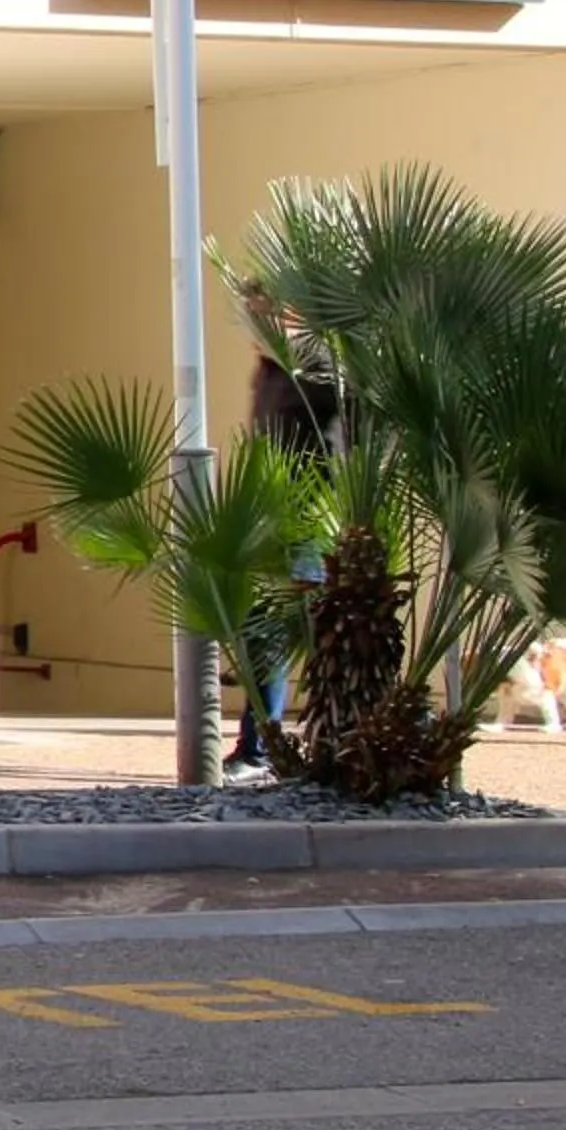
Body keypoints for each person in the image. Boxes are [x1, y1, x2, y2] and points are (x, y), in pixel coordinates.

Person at [226, 287, 344, 784]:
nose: (252, 325)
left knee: (316, 635)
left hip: (310, 520)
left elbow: (348, 434)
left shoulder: (317, 368)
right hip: (271, 519)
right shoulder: (269, 373)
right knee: (265, 636)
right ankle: (260, 746)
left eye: (260, 313)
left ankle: (327, 740)